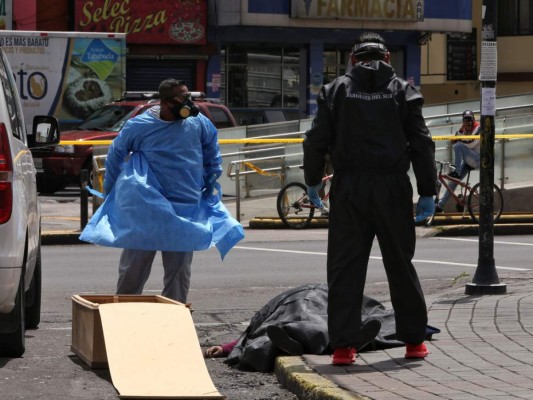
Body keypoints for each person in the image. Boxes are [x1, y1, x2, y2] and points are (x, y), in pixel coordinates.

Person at [303, 32, 437, 366]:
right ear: (388, 58)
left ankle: (344, 348)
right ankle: (414, 342)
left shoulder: (335, 91)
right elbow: (421, 143)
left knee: (345, 267)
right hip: (392, 186)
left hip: (349, 187)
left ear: (352, 58)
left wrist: (313, 180)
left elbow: (316, 139)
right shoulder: (404, 91)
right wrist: (428, 191)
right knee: (400, 264)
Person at [80, 79, 244, 303]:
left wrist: (211, 179)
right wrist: (112, 192)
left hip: (184, 209)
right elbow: (115, 155)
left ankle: (173, 322)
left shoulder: (198, 123)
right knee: (133, 271)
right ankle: (122, 319)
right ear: (164, 103)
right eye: (180, 98)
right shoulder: (140, 126)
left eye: (188, 97)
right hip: (146, 208)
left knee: (178, 275)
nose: (187, 103)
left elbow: (212, 149)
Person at [203, 284, 440, 372]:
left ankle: (295, 343)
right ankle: (350, 339)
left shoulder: (287, 301)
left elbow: (251, 331)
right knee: (338, 321)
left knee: (271, 331)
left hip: (297, 305)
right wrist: (223, 347)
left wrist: (226, 348)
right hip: (307, 304)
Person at [435, 110, 481, 212]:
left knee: (459, 145)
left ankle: (457, 171)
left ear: (473, 120)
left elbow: (470, 143)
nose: (468, 123)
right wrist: (461, 130)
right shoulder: (463, 130)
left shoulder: (478, 127)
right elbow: (452, 142)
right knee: (453, 183)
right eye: (466, 120)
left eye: (470, 120)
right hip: (468, 160)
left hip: (477, 159)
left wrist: (459, 139)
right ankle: (440, 206)